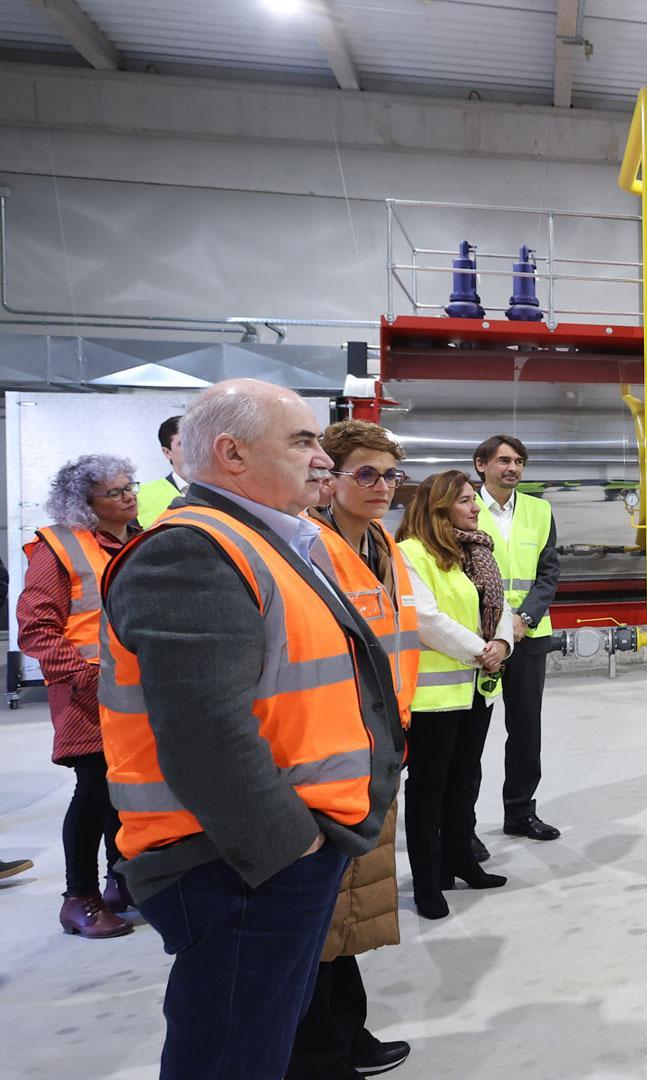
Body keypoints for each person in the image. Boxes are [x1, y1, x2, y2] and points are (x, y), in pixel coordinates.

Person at [98, 378, 405, 1080]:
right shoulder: (194, 551)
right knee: (231, 1056)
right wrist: (290, 848)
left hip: (268, 847)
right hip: (235, 858)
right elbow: (205, 732)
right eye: (302, 442)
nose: (319, 459)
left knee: (263, 1040)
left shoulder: (270, 539)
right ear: (232, 453)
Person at [287, 420, 420, 1079]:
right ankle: (316, 1050)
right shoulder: (308, 547)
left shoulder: (382, 544)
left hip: (377, 747)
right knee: (319, 913)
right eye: (366, 473)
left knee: (352, 909)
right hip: (326, 752)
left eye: (390, 475)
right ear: (328, 478)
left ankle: (347, 1030)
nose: (382, 487)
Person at [17, 455, 142, 939]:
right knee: (93, 792)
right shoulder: (59, 547)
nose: (128, 495)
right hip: (86, 697)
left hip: (134, 692)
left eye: (128, 486)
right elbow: (37, 629)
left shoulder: (137, 539)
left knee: (125, 791)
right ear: (85, 504)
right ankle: (80, 898)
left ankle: (121, 882)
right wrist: (85, 678)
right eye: (114, 492)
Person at [396, 470, 513, 920]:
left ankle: (461, 858)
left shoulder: (478, 550)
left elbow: (500, 606)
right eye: (465, 500)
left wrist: (502, 643)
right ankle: (429, 880)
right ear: (439, 505)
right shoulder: (410, 553)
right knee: (429, 788)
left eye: (473, 501)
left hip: (478, 690)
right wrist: (481, 651)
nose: (475, 507)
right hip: (434, 698)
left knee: (466, 778)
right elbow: (425, 620)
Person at [471, 434, 562, 846]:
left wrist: (524, 618)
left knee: (526, 729)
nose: (513, 468)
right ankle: (461, 826)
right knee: (469, 734)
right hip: (478, 641)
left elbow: (548, 573)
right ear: (482, 465)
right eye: (504, 460)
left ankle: (521, 812)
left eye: (519, 462)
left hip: (529, 636)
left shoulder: (540, 510)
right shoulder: (463, 508)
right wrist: (496, 627)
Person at [135, 415, 189, 527]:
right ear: (167, 452)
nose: (194, 449)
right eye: (184, 444)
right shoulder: (141, 497)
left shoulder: (225, 489)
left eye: (198, 443)